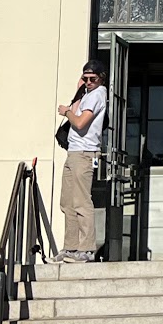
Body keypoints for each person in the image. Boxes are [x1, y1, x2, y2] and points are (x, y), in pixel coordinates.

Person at [55, 60, 108, 262]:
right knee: (67, 202)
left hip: (85, 153)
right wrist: (78, 92)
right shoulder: (87, 94)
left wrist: (66, 111)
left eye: (92, 78)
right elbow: (76, 112)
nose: (88, 82)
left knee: (81, 201)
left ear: (101, 78)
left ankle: (86, 249)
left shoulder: (98, 94)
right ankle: (71, 247)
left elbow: (79, 122)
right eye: (85, 78)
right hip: (74, 151)